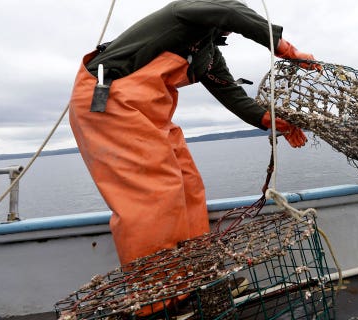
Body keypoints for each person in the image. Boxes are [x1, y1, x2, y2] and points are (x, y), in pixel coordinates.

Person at [69, 0, 317, 270]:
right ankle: (158, 296)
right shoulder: (183, 12)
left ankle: (197, 275)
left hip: (148, 113)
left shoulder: (207, 54)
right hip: (108, 100)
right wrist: (285, 49)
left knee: (189, 185)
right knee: (155, 196)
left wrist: (272, 122)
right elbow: (231, 11)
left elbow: (230, 93)